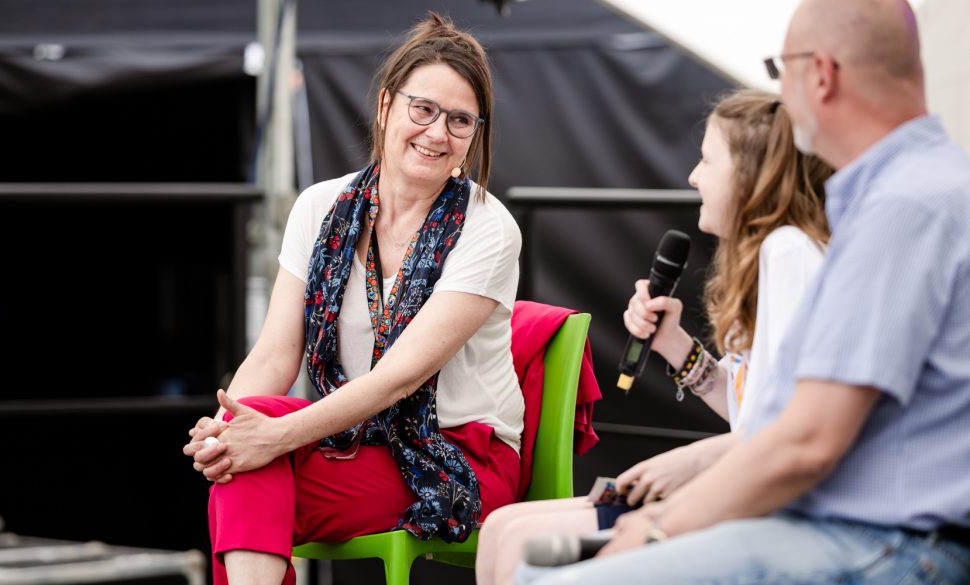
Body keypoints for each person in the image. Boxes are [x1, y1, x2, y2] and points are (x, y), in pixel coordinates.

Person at [517, 0, 970, 583]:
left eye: (781, 69)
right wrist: (680, 354)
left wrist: (661, 526)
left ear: (821, 74)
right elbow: (780, 414)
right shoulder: (923, 188)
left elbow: (804, 441)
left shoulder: (898, 208)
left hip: (884, 543)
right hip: (868, 533)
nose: (693, 177)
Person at [182, 13, 523, 585]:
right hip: (355, 438)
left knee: (250, 475)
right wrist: (225, 430)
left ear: (474, 134)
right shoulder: (319, 206)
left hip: (458, 452)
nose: (437, 133)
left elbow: (398, 379)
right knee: (246, 446)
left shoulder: (489, 228)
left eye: (460, 120)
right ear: (386, 106)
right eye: (423, 109)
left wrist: (269, 438)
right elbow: (273, 356)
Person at [475, 88, 833, 585]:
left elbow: (787, 427)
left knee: (517, 540)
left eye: (708, 160)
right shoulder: (772, 258)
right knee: (499, 529)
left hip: (755, 504)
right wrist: (673, 344)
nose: (693, 177)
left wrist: (691, 461)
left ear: (751, 176)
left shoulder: (789, 253)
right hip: (739, 488)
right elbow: (750, 407)